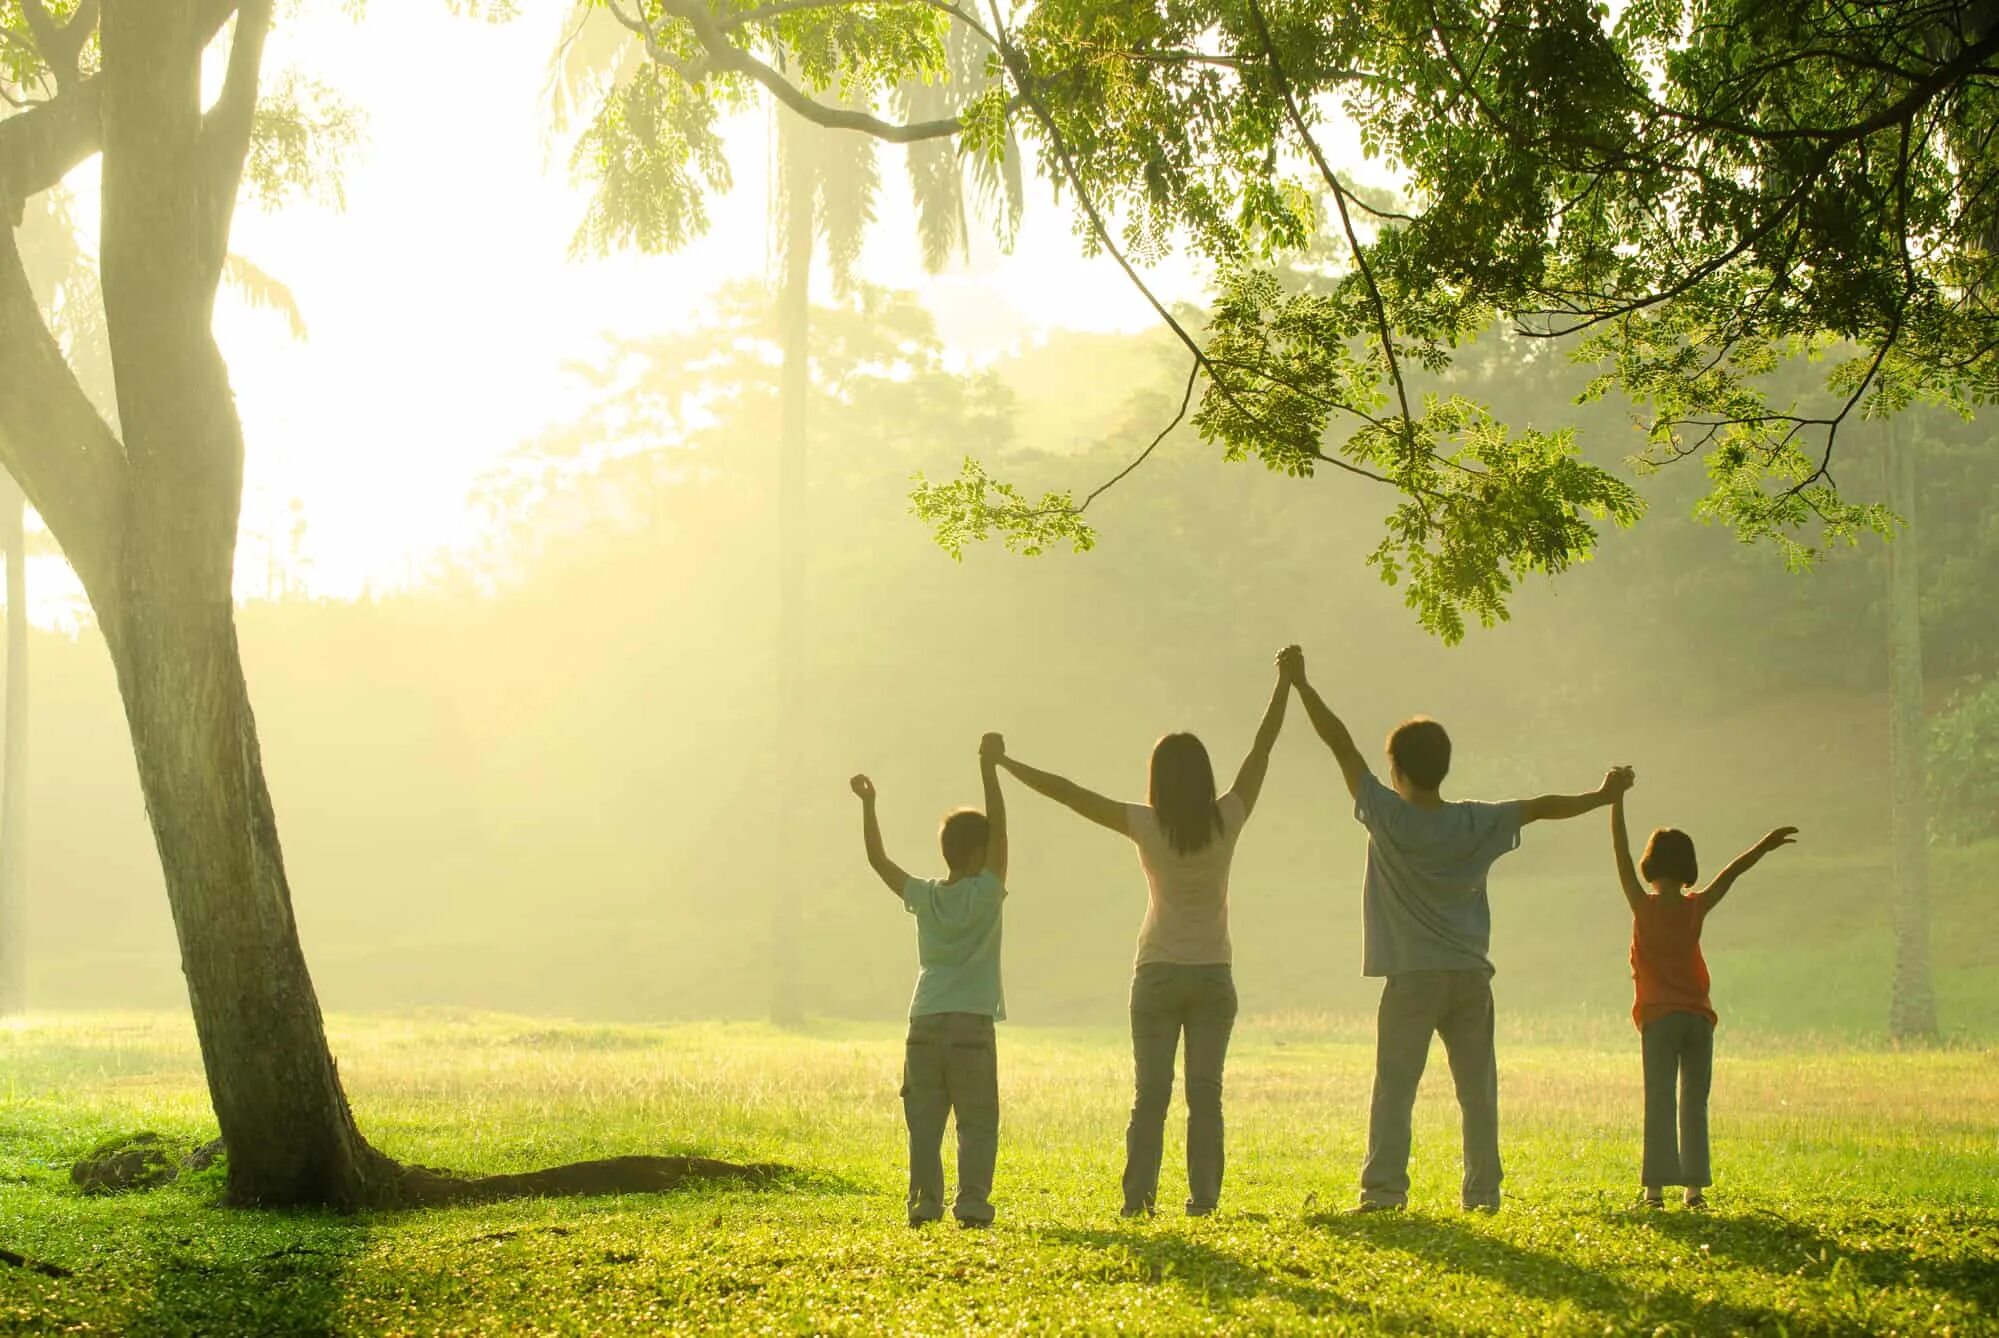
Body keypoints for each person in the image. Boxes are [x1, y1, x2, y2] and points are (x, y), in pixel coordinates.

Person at [1282, 645, 1633, 1213]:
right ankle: (1483, 1194)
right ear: (1443, 767)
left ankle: (1385, 1192)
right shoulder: (1475, 820)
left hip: (1412, 979)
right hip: (1471, 976)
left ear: (1395, 771)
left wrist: (1300, 684)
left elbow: (1339, 743)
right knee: (1477, 1093)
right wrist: (1602, 795)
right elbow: (1541, 806)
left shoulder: (1386, 814)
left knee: (1396, 1088)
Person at [991, 650, 1292, 1218]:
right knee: (1206, 1095)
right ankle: (1203, 1202)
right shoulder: (1228, 817)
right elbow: (1262, 749)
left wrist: (1008, 764)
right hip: (1212, 976)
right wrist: (1285, 684)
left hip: (1154, 975)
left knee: (1150, 1096)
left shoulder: (1145, 824)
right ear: (1205, 777)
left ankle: (1138, 1203)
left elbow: (1070, 792)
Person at [849, 732, 1009, 1228]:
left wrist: (869, 804)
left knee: (924, 1125)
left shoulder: (926, 896)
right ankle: (974, 1206)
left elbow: (879, 862)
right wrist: (990, 768)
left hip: (924, 1019)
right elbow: (1003, 829)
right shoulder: (987, 894)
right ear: (981, 850)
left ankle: (924, 1204)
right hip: (971, 1025)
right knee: (977, 1121)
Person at [1610, 784, 1796, 1209]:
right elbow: (1730, 873)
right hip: (1698, 1018)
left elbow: (1619, 854)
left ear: (1650, 865)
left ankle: (1654, 1193)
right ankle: (1694, 1193)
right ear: (1688, 867)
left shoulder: (1642, 904)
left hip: (1659, 1017)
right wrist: (1764, 846)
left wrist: (1615, 801)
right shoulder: (1696, 906)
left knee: (1659, 1100)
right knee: (1694, 1103)